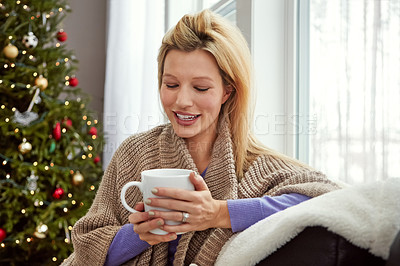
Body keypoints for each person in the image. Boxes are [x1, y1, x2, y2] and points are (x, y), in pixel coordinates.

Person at [62, 9, 340, 266]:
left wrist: (218, 213)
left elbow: (328, 200)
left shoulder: (258, 167)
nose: (182, 101)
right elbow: (87, 247)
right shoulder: (135, 152)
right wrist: (140, 234)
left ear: (227, 91)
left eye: (201, 88)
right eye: (171, 84)